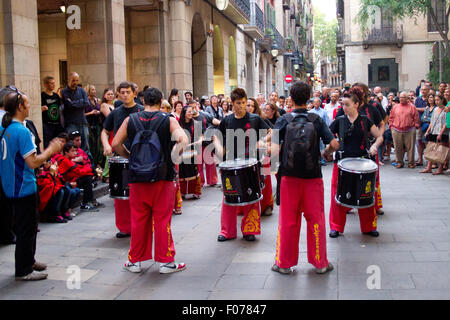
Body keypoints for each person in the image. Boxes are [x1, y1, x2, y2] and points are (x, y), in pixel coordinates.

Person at [112, 87, 188, 274]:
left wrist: (130, 156)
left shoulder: (131, 119)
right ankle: (165, 262)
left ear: (143, 101)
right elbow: (183, 139)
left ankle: (135, 262)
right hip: (162, 177)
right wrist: (173, 155)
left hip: (138, 176)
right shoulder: (168, 120)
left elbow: (115, 144)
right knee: (162, 220)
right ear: (161, 100)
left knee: (138, 219)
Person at [270, 81, 339, 275]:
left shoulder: (283, 120)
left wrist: (278, 171)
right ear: (308, 98)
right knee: (315, 218)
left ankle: (284, 263)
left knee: (288, 220)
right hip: (313, 177)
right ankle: (320, 263)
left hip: (289, 178)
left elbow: (274, 151)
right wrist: (325, 152)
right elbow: (333, 143)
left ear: (290, 99)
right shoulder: (316, 119)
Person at [0, 88, 64, 280]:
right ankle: (24, 270)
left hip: (10, 185)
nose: (29, 107)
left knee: (27, 226)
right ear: (19, 107)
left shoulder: (6, 128)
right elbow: (33, 162)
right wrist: (51, 149)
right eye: (27, 104)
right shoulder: (21, 130)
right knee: (26, 229)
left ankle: (29, 260)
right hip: (22, 186)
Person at [214, 88, 271, 242]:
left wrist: (262, 141)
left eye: (244, 103)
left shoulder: (255, 119)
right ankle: (227, 231)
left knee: (251, 197)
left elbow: (271, 132)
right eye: (238, 103)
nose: (242, 106)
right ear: (232, 103)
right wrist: (219, 149)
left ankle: (249, 230)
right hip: (230, 164)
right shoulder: (227, 120)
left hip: (251, 163)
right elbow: (217, 137)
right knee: (228, 198)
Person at [328, 87, 384, 239]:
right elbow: (327, 137)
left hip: (362, 162)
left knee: (365, 194)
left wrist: (374, 146)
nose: (343, 107)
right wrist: (329, 147)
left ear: (357, 104)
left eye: (347, 104)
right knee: (337, 195)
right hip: (341, 163)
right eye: (342, 105)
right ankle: (336, 227)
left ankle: (368, 227)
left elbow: (379, 137)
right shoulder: (339, 121)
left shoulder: (365, 120)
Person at [102, 81, 144, 239]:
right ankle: (125, 227)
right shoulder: (116, 112)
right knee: (121, 195)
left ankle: (140, 226)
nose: (125, 95)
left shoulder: (141, 110)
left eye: (128, 92)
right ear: (118, 94)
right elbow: (105, 131)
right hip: (120, 156)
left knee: (139, 194)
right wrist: (106, 145)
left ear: (134, 93)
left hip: (139, 156)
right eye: (122, 92)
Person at [246, 98, 273, 216]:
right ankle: (247, 208)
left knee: (265, 180)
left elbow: (272, 132)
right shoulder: (240, 119)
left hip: (262, 154)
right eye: (247, 105)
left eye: (252, 105)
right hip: (247, 155)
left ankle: (266, 205)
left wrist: (262, 141)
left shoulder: (261, 119)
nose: (249, 107)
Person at [389, 92, 420, 169]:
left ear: (407, 98)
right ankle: (399, 162)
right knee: (397, 147)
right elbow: (391, 117)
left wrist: (416, 125)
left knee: (410, 147)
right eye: (400, 97)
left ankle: (411, 162)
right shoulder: (395, 107)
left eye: (403, 97)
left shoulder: (412, 107)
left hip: (409, 129)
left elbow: (416, 117)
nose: (401, 99)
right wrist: (391, 126)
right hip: (396, 129)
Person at [61, 72, 90, 152]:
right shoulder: (64, 92)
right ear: (68, 79)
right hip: (71, 123)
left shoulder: (81, 91)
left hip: (82, 121)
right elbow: (69, 105)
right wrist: (80, 102)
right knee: (71, 144)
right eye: (73, 80)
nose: (75, 83)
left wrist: (74, 102)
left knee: (85, 144)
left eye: (77, 81)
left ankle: (86, 162)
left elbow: (86, 103)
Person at [178, 105, 202, 199]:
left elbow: (201, 135)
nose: (191, 113)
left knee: (194, 172)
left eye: (192, 111)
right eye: (189, 111)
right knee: (182, 173)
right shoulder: (178, 124)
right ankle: (182, 192)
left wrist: (200, 140)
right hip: (181, 151)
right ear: (184, 113)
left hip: (192, 151)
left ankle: (196, 191)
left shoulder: (196, 123)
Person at [421, 94, 448, 175]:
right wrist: (427, 131)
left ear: (442, 100)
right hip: (433, 131)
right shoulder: (435, 109)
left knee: (441, 150)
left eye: (438, 100)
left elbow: (446, 123)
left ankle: (440, 168)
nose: (436, 101)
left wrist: (441, 133)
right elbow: (432, 122)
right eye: (435, 100)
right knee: (431, 149)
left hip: (442, 132)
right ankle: (429, 167)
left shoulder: (445, 110)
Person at [41, 76, 63, 149]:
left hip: (56, 124)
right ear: (46, 85)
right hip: (47, 124)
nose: (53, 85)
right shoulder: (42, 95)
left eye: (54, 83)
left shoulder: (56, 96)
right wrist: (41, 109)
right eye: (51, 83)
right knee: (48, 144)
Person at [85, 84, 103, 168]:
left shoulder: (97, 101)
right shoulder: (86, 101)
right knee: (91, 144)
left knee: (98, 144)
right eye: (92, 90)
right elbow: (82, 114)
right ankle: (92, 163)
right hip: (88, 123)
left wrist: (99, 112)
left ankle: (98, 163)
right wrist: (91, 113)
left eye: (95, 89)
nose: (94, 91)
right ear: (88, 91)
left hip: (97, 124)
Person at [415, 85, 431, 166]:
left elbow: (427, 109)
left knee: (427, 142)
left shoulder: (430, 99)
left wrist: (417, 108)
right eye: (422, 89)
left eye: (425, 90)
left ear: (428, 90)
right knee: (419, 142)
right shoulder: (418, 99)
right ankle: (420, 159)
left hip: (428, 124)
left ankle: (430, 161)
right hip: (419, 123)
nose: (423, 91)